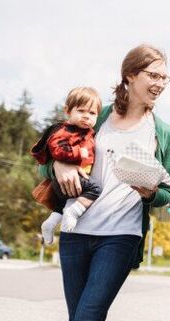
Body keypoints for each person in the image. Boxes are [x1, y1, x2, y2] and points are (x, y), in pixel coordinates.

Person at [41, 44, 170, 321]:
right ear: (131, 76)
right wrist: (60, 168)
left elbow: (168, 193)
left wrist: (152, 192)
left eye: (164, 77)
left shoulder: (164, 131)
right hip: (78, 231)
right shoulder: (98, 116)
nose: (159, 83)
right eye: (153, 75)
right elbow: (56, 146)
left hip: (121, 236)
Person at [31, 87, 103, 245]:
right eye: (81, 111)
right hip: (70, 177)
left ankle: (50, 224)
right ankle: (73, 212)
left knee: (61, 204)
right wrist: (79, 153)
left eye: (92, 113)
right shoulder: (66, 131)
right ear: (68, 110)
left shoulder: (87, 132)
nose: (86, 116)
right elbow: (57, 149)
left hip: (71, 180)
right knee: (95, 189)